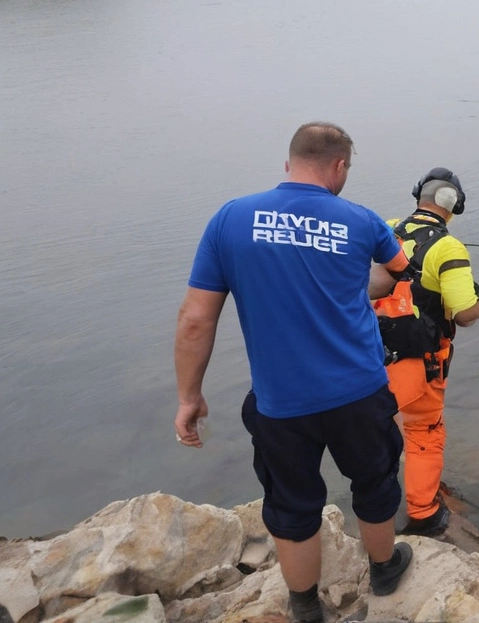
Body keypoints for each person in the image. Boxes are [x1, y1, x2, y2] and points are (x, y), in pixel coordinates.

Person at [174, 122, 415, 623]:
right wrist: (353, 282)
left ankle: (305, 604)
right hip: (359, 391)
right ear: (340, 166)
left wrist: (189, 396)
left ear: (289, 163)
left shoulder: (230, 219)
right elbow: (397, 271)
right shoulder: (362, 220)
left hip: (279, 402)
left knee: (292, 500)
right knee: (375, 480)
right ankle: (385, 567)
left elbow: (196, 319)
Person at [368, 167, 479, 537]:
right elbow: (465, 314)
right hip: (422, 363)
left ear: (419, 196)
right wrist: (476, 294)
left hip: (372, 356)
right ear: (454, 205)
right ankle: (423, 513)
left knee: (376, 431)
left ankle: (373, 509)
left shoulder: (386, 229)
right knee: (424, 432)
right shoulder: (448, 247)